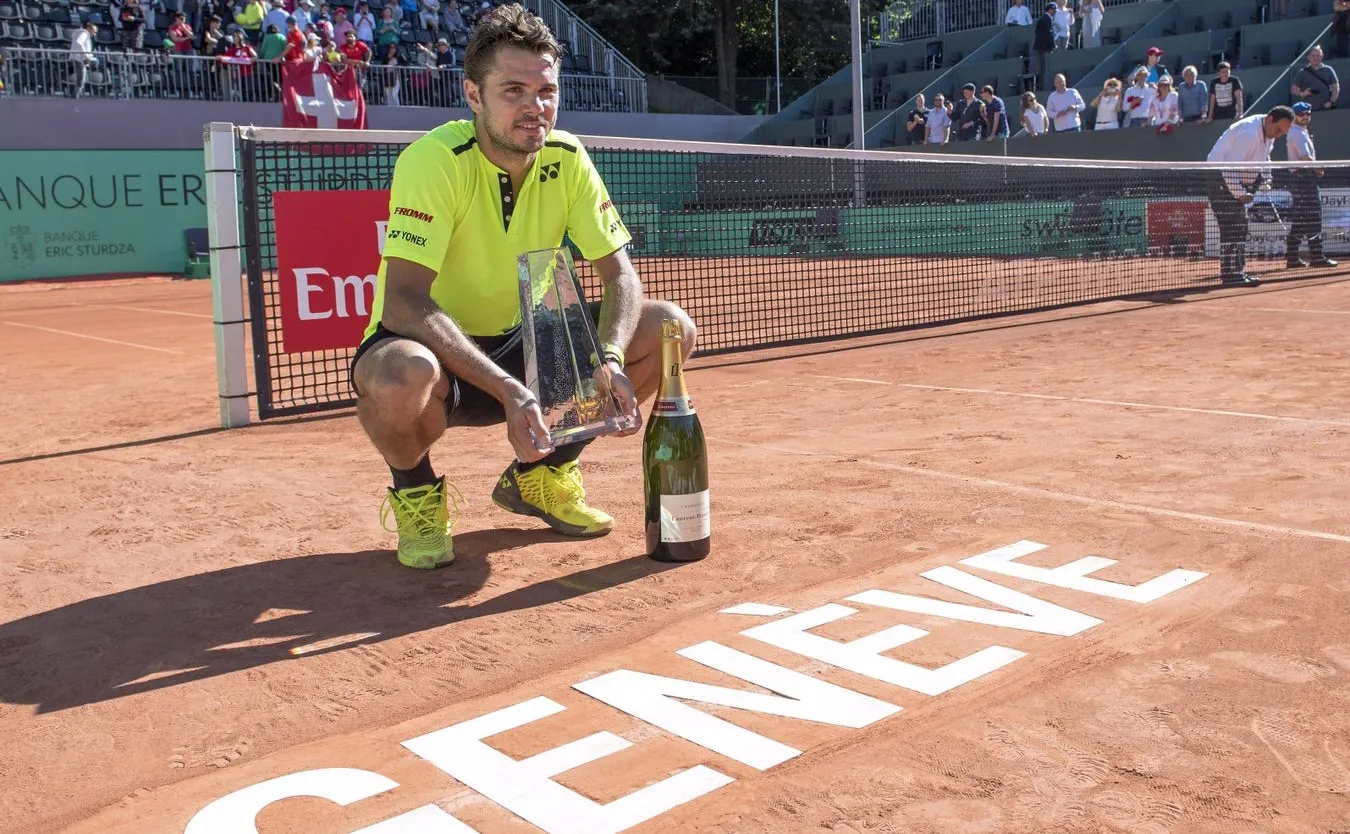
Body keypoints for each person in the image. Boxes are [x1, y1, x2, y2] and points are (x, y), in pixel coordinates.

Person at [350, 3, 698, 569]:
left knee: (669, 330)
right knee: (398, 376)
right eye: (513, 90)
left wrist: (608, 358)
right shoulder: (434, 161)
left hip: (527, 340)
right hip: (435, 350)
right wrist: (511, 391)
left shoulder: (568, 156)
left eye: (546, 91)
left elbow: (621, 277)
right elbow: (404, 300)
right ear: (473, 96)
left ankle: (542, 476)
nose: (535, 108)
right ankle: (416, 495)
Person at [1205, 106, 1296, 287]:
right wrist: (1239, 193)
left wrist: (1266, 179)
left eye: (1282, 133)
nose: (1278, 135)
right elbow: (1228, 167)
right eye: (1278, 130)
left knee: (1240, 226)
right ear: (1270, 119)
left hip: (1236, 179)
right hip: (1219, 177)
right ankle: (1232, 274)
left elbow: (1265, 158)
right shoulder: (1249, 133)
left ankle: (1235, 272)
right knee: (1235, 225)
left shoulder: (1269, 134)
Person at [1285, 101, 1338, 269]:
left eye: (1308, 113)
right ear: (1294, 116)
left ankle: (1293, 257)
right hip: (1303, 179)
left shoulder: (1301, 132)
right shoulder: (1297, 133)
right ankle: (1316, 256)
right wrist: (1318, 169)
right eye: (1302, 114)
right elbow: (1305, 158)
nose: (1306, 116)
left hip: (1302, 179)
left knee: (1301, 220)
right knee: (1313, 218)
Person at [1291, 45, 1340, 111]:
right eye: (1313, 56)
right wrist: (1302, 94)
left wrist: (1331, 102)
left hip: (1326, 108)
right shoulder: (1302, 72)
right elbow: (1293, 90)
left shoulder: (1328, 70)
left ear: (1322, 56)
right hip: (1308, 111)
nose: (1316, 58)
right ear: (1308, 57)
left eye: (1318, 55)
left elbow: (1336, 87)